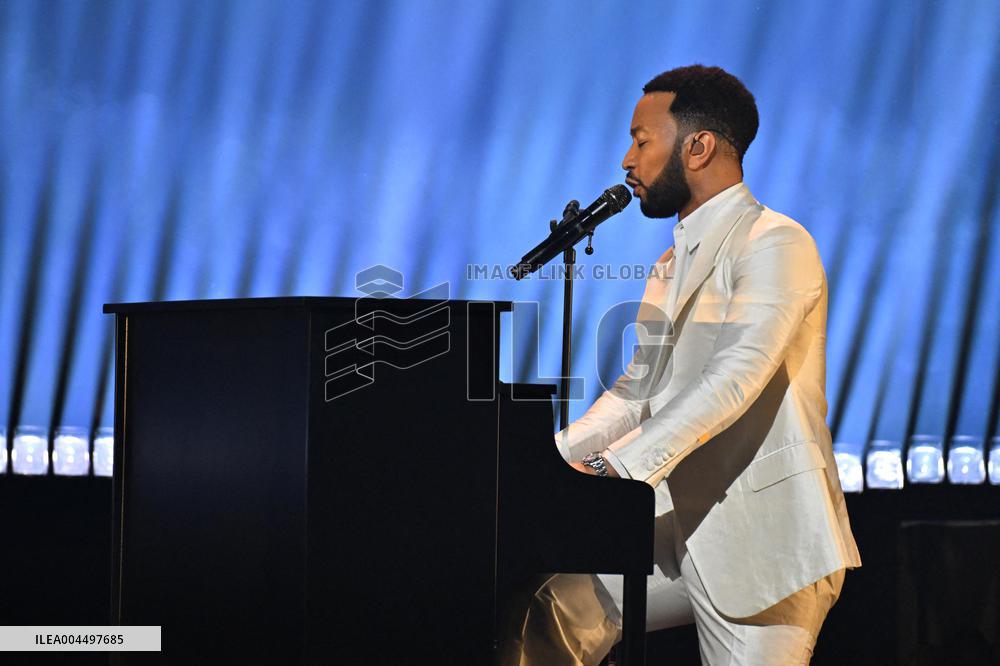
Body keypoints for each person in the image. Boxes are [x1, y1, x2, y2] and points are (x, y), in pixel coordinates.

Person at [500, 64, 861, 665]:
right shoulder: (671, 261)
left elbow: (735, 377)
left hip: (765, 534)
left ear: (698, 146)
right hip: (684, 519)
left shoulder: (776, 241)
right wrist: (550, 463)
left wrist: (618, 468)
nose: (626, 159)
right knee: (554, 609)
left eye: (642, 140)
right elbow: (637, 392)